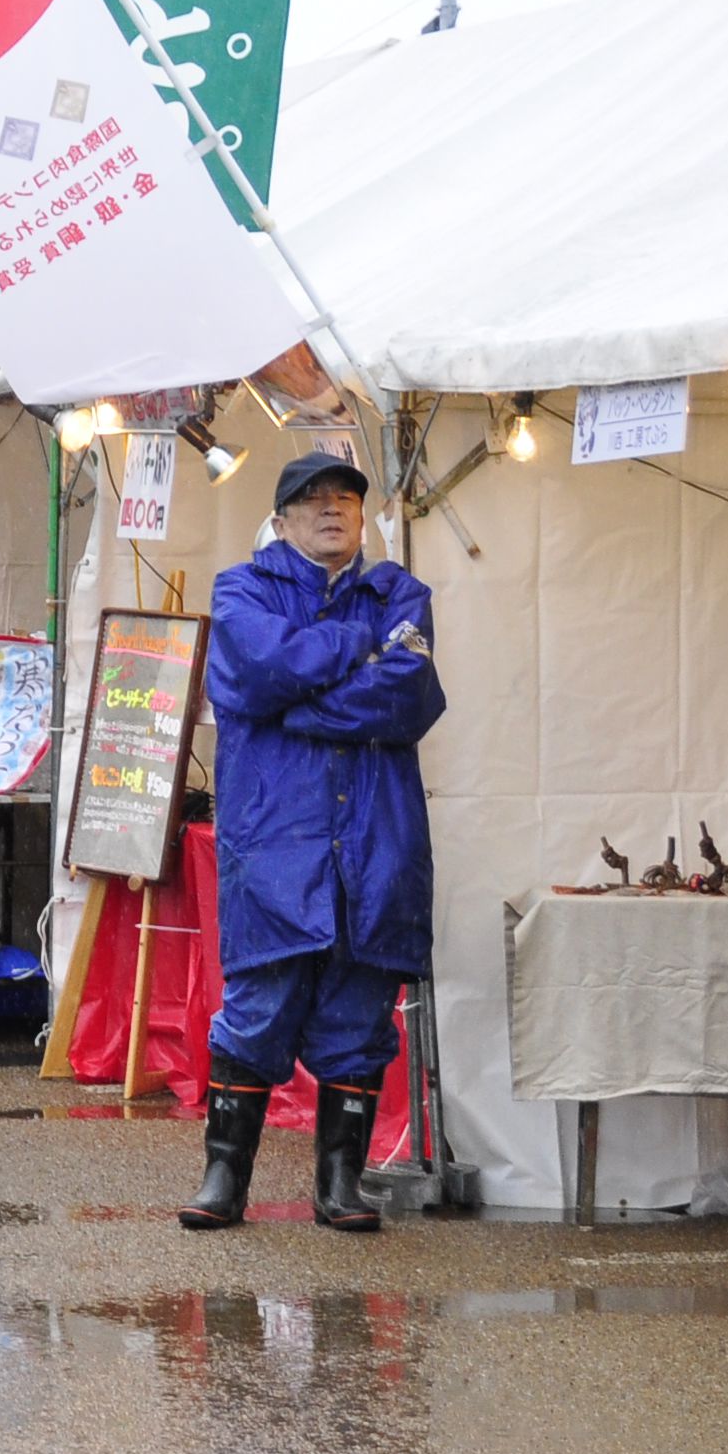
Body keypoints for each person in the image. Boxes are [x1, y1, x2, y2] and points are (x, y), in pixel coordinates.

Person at [190, 452, 440, 1233]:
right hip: (276, 842)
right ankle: (224, 1178)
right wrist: (354, 645)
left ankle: (341, 1183)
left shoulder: (401, 592)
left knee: (361, 1018)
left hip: (377, 842)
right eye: (313, 498)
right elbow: (259, 669)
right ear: (283, 515)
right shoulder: (240, 590)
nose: (333, 509)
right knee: (258, 1007)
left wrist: (295, 706)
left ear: (362, 517)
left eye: (346, 498)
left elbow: (411, 697)